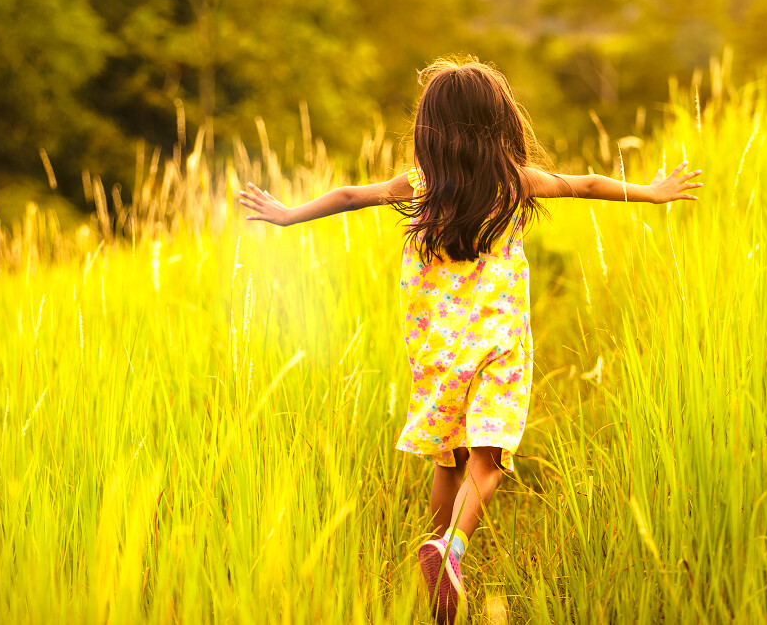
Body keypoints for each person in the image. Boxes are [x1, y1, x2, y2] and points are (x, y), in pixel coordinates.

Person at [238, 56, 703, 624]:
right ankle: (450, 552)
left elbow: (347, 196)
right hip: (498, 345)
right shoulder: (514, 183)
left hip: (436, 347)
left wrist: (286, 215)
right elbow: (584, 183)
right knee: (490, 455)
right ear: (500, 123)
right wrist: (652, 194)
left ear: (428, 131)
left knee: (449, 457)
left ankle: (435, 565)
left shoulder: (420, 186)